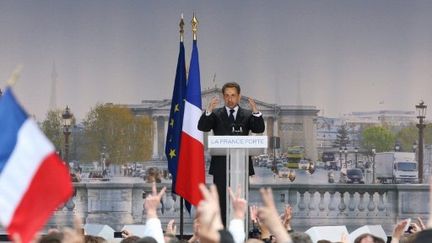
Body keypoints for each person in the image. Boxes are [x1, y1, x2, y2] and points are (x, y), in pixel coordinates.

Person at [198, 82, 265, 226]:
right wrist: (209, 110)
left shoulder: (247, 115)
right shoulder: (215, 114)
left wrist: (256, 112)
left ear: (239, 96)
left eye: (233, 95)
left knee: (240, 200)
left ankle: (241, 232)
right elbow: (202, 126)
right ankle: (222, 233)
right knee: (221, 201)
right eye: (227, 96)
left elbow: (259, 128)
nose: (230, 99)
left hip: (241, 166)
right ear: (223, 97)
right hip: (221, 165)